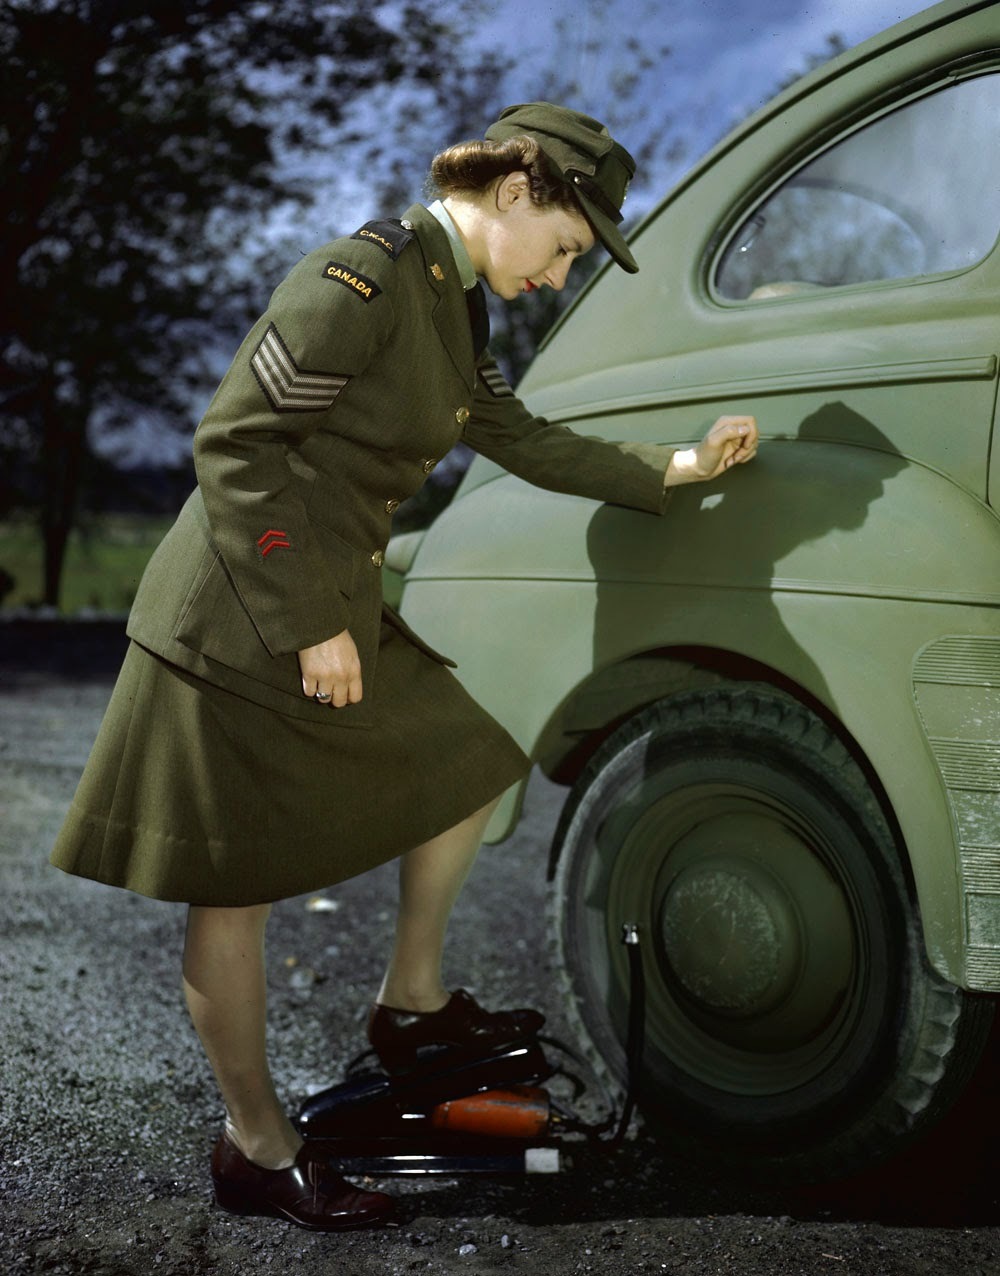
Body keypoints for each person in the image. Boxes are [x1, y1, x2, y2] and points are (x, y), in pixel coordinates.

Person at [50, 102, 759, 1232]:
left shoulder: (448, 304)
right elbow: (235, 443)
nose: (562, 273)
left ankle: (411, 1001)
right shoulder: (359, 278)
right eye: (569, 246)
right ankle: (257, 1147)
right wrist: (304, 622)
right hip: (239, 616)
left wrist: (675, 465)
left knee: (475, 756)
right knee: (236, 892)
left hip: (325, 605)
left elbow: (517, 434)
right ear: (517, 192)